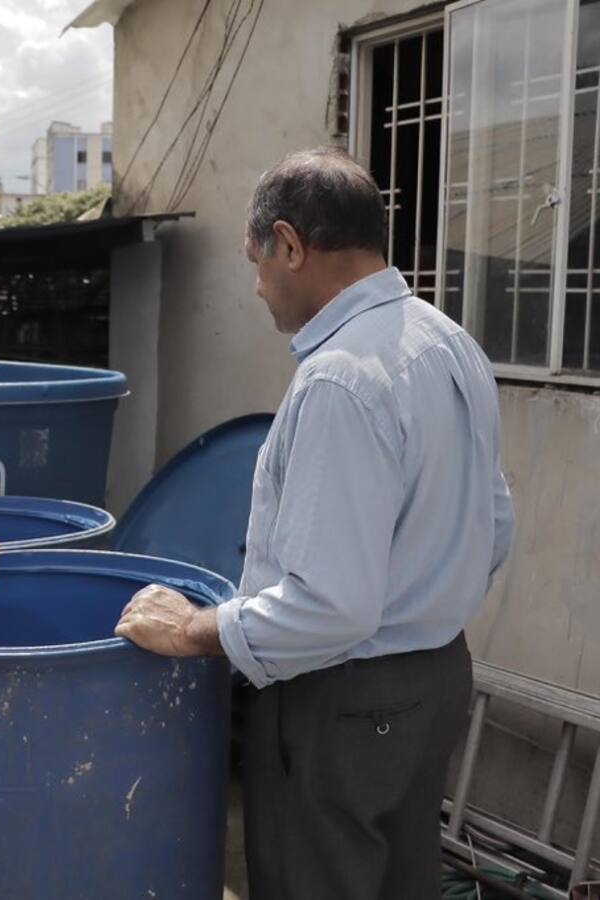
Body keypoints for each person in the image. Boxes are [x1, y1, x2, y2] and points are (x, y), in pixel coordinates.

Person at [115, 147, 514, 900]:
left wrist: (196, 630)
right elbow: (495, 525)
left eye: (257, 261)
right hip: (433, 683)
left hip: (342, 704)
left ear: (291, 245)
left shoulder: (340, 379)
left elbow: (330, 607)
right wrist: (422, 598)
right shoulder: (449, 343)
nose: (258, 286)